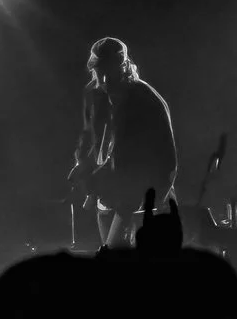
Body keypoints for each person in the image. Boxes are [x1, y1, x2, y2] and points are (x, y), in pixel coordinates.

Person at [69, 37, 177, 250]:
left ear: (124, 67)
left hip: (140, 197)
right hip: (109, 196)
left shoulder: (144, 98)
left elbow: (166, 157)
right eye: (101, 73)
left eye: (110, 71)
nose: (105, 79)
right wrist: (83, 165)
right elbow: (89, 138)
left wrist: (153, 199)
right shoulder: (95, 95)